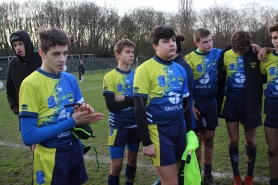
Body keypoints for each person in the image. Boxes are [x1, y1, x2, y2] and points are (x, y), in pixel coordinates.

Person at [18, 27, 104, 185]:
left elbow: (76, 117)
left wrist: (83, 113)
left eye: (65, 53)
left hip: (74, 150)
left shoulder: (70, 79)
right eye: (56, 54)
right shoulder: (30, 84)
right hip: (49, 155)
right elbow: (28, 137)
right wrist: (71, 122)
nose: (62, 59)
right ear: (42, 53)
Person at [133, 26, 192, 185]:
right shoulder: (144, 69)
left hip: (179, 128)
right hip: (159, 131)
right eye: (166, 41)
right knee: (170, 182)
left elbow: (186, 103)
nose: (172, 44)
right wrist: (146, 142)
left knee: (175, 179)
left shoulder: (180, 69)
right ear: (155, 45)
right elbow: (139, 108)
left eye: (173, 40)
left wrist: (190, 132)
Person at [216, 30, 266, 185]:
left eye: (243, 50)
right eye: (237, 50)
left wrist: (262, 48)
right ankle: (236, 176)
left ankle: (249, 176)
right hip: (231, 103)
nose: (240, 52)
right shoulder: (224, 54)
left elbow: (263, 77)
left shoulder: (254, 52)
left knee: (250, 141)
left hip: (250, 103)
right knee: (233, 141)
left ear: (249, 45)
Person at [184, 28, 222, 185]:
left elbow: (234, 48)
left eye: (211, 40)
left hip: (211, 103)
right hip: (195, 104)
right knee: (197, 140)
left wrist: (259, 47)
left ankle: (208, 174)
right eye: (205, 41)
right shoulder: (189, 59)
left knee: (210, 139)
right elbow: (185, 85)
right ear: (196, 43)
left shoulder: (217, 53)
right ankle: (197, 173)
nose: (209, 44)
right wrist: (191, 105)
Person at [102, 39, 141, 185]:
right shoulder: (110, 77)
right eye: (127, 52)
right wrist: (133, 100)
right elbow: (111, 105)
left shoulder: (138, 75)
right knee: (116, 165)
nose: (131, 55)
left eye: (132, 52)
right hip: (118, 126)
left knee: (132, 159)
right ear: (118, 54)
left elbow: (142, 101)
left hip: (135, 124)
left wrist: (123, 97)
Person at [6, 30, 42, 131]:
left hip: (45, 112)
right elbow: (10, 90)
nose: (17, 48)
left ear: (27, 43)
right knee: (32, 145)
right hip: (25, 116)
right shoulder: (12, 64)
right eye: (15, 45)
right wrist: (16, 108)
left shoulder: (41, 59)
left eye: (20, 44)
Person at [260, 24, 278, 185]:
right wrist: (263, 49)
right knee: (272, 149)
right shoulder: (266, 59)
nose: (277, 41)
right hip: (272, 111)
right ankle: (274, 180)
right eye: (275, 38)